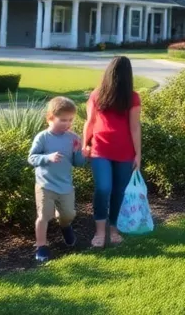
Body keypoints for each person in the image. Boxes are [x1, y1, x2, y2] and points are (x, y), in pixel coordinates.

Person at [83, 55, 142, 247]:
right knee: (103, 188)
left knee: (119, 191)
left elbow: (135, 127)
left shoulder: (132, 97)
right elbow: (90, 121)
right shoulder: (97, 95)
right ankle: (100, 231)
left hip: (124, 152)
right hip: (100, 148)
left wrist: (138, 154)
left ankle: (114, 229)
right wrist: (85, 143)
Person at [27, 96, 88, 263]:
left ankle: (65, 226)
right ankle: (41, 246)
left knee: (68, 214)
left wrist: (80, 153)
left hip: (65, 185)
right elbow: (32, 158)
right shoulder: (43, 137)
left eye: (70, 120)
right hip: (45, 185)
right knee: (44, 216)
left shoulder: (73, 138)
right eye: (62, 120)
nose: (67, 124)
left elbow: (78, 163)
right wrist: (47, 157)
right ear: (50, 118)